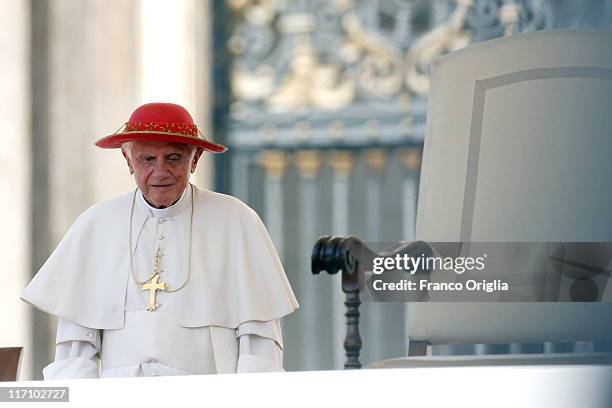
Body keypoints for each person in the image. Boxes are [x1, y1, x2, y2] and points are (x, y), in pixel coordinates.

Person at [21, 102, 299, 379]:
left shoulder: (236, 221)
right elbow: (76, 349)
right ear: (128, 161)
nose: (160, 172)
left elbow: (259, 343)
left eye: (174, 158)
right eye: (147, 160)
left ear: (196, 159)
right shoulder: (96, 225)